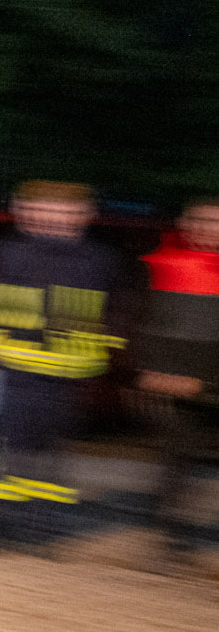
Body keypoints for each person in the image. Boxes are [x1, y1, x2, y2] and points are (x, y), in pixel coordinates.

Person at [0, 180, 126, 548]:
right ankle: (3, 527)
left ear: (85, 215)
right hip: (12, 372)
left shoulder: (100, 260)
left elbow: (114, 312)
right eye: (42, 210)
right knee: (7, 449)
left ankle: (40, 528)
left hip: (68, 377)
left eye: (64, 212)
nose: (52, 218)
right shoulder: (1, 252)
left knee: (51, 455)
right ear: (22, 212)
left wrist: (109, 354)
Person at [135, 198, 219, 569]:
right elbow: (144, 324)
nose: (208, 228)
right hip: (174, 384)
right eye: (200, 220)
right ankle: (174, 537)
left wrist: (204, 385)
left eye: (216, 222)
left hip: (205, 381)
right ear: (185, 223)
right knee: (177, 460)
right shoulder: (161, 265)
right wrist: (150, 369)